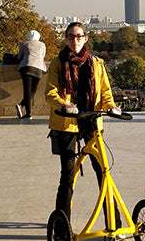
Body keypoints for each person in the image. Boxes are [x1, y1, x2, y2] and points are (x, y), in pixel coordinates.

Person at [45, 22, 122, 229]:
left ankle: (114, 223)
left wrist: (112, 107)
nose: (75, 40)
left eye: (79, 36)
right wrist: (64, 104)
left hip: (90, 120)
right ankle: (61, 230)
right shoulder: (57, 63)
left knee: (103, 172)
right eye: (71, 36)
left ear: (86, 38)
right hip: (66, 122)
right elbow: (50, 93)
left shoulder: (96, 64)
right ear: (65, 39)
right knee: (68, 176)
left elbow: (105, 92)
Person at [16, 30, 47, 119]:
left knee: (27, 91)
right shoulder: (42, 45)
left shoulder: (24, 44)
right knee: (33, 91)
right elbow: (42, 56)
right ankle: (21, 105)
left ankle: (27, 112)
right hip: (39, 68)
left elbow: (19, 57)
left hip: (27, 67)